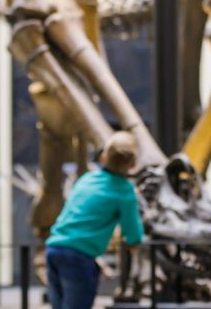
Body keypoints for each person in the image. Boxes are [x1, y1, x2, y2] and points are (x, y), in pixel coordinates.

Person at [44, 131, 146, 309]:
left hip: (54, 249)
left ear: (104, 157)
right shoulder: (124, 190)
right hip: (79, 256)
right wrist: (134, 242)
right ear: (133, 164)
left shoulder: (87, 179)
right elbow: (132, 232)